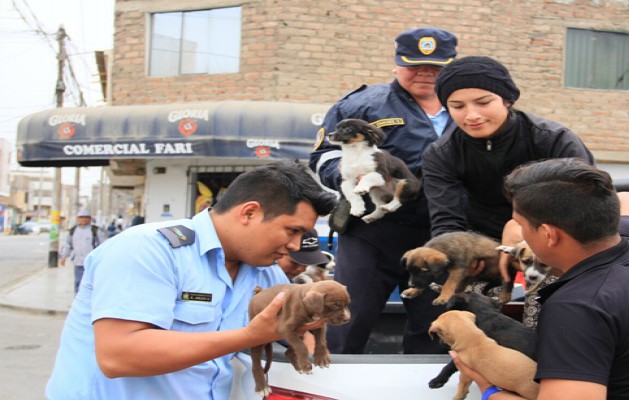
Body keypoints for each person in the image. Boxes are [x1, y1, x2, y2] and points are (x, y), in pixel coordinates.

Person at [46, 160, 337, 400]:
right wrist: (250, 337)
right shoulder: (148, 249)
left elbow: (298, 333)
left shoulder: (266, 272)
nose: (297, 246)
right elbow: (118, 357)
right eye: (292, 231)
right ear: (249, 212)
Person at [452, 158, 629, 400]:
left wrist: (489, 389)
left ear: (549, 234)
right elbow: (628, 199)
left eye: (521, 225)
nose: (521, 235)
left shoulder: (577, 307)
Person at [309, 27, 458, 354]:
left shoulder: (470, 109)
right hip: (370, 233)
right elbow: (323, 156)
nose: (425, 74)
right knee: (343, 322)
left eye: (435, 67)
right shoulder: (362, 104)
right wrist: (348, 173)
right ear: (396, 64)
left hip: (439, 237)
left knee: (435, 331)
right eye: (415, 64)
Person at [423, 55, 594, 241]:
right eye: (457, 106)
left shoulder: (555, 140)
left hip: (551, 239)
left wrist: (521, 230)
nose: (471, 115)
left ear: (507, 100)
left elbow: (584, 205)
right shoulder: (441, 153)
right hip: (481, 246)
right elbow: (446, 223)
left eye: (483, 103)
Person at [59, 210, 109, 294]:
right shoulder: (73, 231)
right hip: (78, 262)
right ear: (77, 219)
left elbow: (105, 245)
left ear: (90, 219)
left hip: (93, 263)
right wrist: (63, 257)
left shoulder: (96, 230)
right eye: (81, 217)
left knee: (91, 284)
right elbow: (67, 245)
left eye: (86, 217)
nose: (83, 219)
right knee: (78, 283)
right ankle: (78, 302)